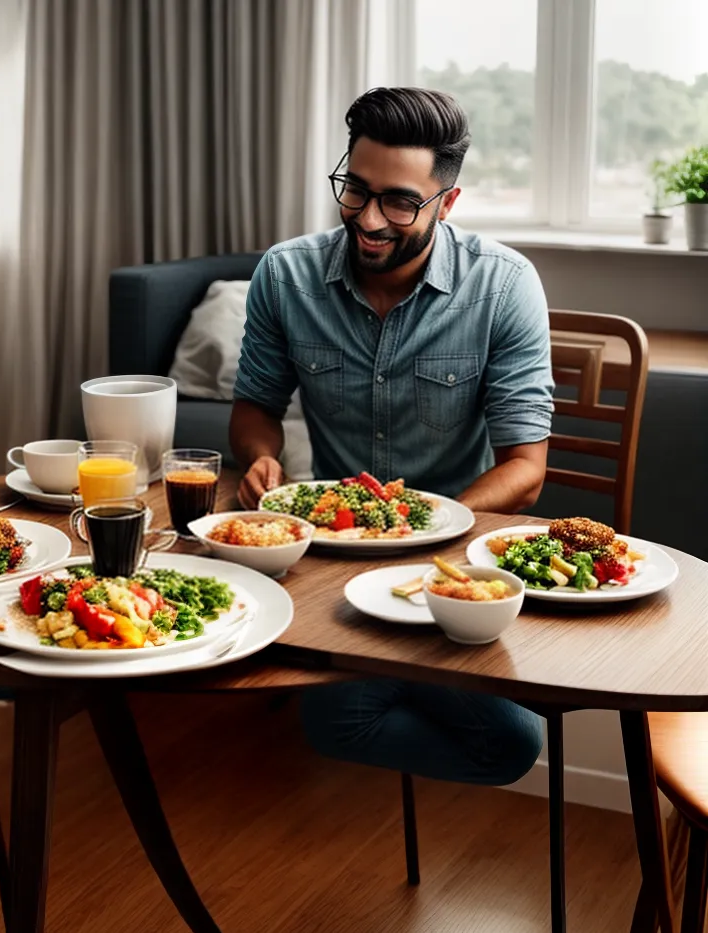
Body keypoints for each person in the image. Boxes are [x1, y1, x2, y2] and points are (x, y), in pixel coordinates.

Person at [230, 87, 553, 787]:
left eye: (401, 202)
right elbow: (254, 407)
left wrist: (432, 530)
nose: (369, 219)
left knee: (509, 746)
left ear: (448, 202)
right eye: (356, 189)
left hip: (452, 566)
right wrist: (261, 458)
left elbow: (526, 469)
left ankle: (397, 661)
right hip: (331, 562)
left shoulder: (504, 286)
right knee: (331, 719)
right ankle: (386, 663)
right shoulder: (286, 274)